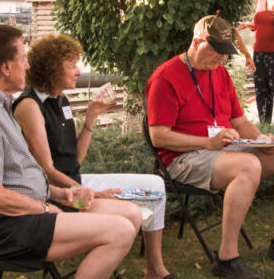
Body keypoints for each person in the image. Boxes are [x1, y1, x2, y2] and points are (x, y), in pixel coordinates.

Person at [0, 24, 143, 279]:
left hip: (23, 213)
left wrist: (64, 193)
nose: (27, 66)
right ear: (5, 67)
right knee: (120, 231)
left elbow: (20, 176)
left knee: (131, 215)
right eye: (23, 59)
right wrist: (45, 207)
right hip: (0, 226)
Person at [146, 14, 274, 278]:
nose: (222, 59)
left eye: (225, 53)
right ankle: (226, 259)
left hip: (222, 150)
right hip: (182, 158)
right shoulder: (166, 78)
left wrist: (262, 140)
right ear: (197, 42)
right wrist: (207, 142)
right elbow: (158, 137)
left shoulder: (219, 73)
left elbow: (240, 122)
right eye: (217, 52)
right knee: (248, 166)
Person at [12, 34, 172, 279]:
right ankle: (101, 247)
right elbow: (47, 170)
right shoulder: (30, 106)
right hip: (57, 194)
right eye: (72, 65)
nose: (79, 71)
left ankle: (152, 269)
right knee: (131, 214)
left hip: (75, 182)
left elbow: (75, 158)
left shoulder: (61, 100)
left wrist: (92, 115)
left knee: (155, 186)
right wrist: (92, 193)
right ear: (52, 69)